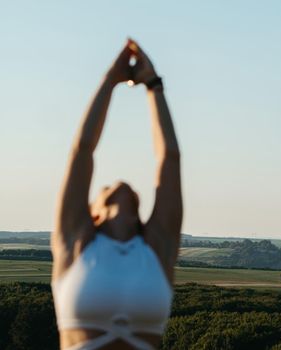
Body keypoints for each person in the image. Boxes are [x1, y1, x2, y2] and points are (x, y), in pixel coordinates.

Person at [51, 39, 182, 350]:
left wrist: (153, 85)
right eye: (105, 187)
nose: (118, 182)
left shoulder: (157, 247)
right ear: (92, 213)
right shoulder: (74, 243)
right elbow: (81, 151)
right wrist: (110, 81)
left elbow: (168, 158)